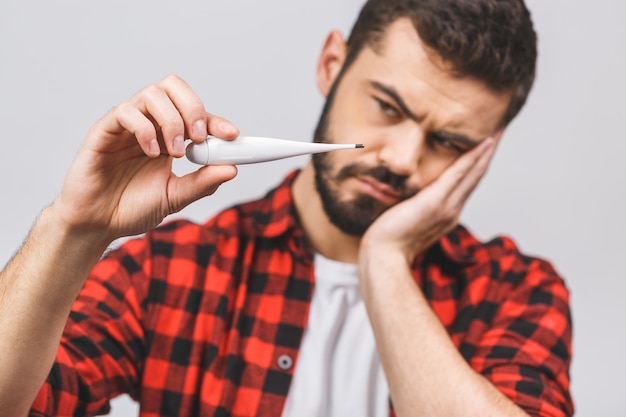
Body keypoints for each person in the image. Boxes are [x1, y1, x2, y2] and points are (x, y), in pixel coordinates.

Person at [0, 0, 573, 416]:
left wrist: (384, 261)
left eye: (451, 143)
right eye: (387, 107)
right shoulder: (175, 271)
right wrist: (72, 228)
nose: (403, 160)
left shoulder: (517, 293)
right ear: (331, 65)